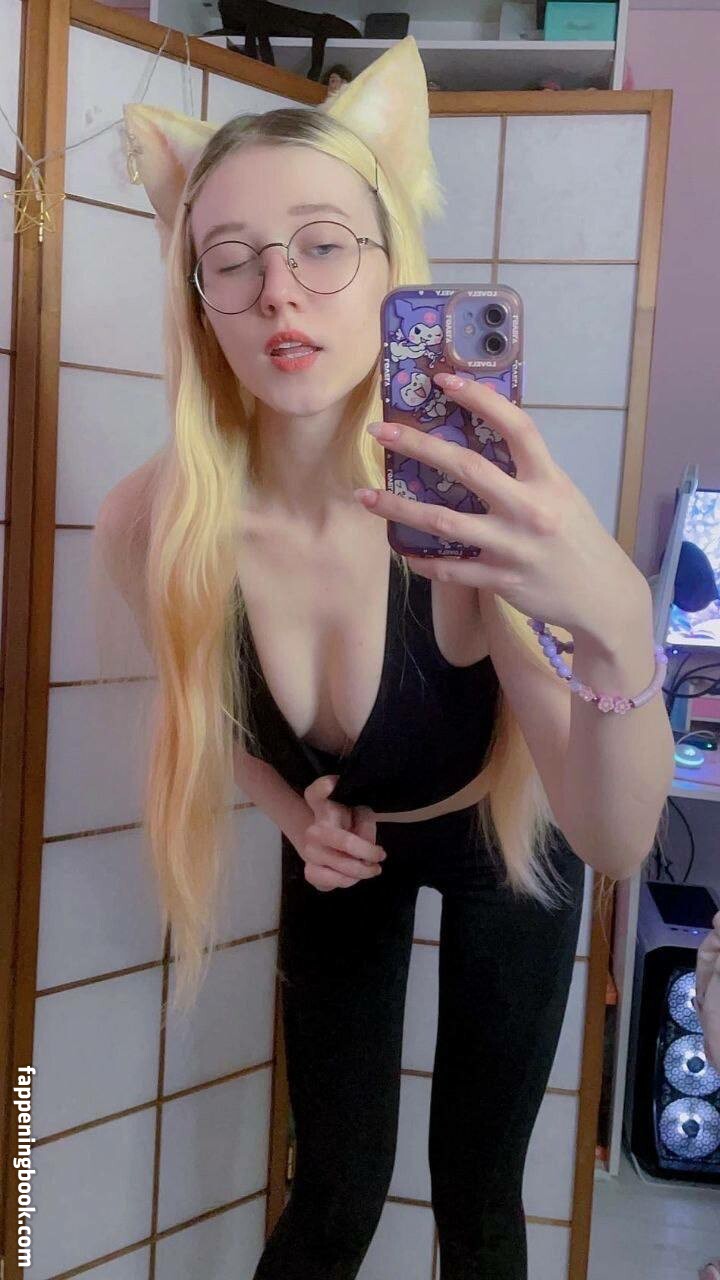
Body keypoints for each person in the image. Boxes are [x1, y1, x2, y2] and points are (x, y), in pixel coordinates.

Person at [95, 36, 675, 1280]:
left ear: (391, 269)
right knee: (333, 1191)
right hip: (345, 850)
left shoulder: (463, 512)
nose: (280, 294)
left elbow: (617, 837)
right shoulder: (156, 523)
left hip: (504, 838)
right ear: (196, 294)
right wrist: (291, 817)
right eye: (232, 258)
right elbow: (215, 724)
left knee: (478, 1196)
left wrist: (619, 622)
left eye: (322, 245)